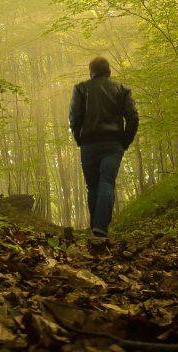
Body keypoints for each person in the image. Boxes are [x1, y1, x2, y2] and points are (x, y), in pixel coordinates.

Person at [68, 56, 138, 238]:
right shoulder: (122, 90)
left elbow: (74, 117)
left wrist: (79, 138)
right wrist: (125, 141)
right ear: (109, 71)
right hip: (113, 143)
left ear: (91, 71)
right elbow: (133, 117)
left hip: (89, 143)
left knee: (93, 186)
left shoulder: (81, 89)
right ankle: (100, 227)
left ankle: (96, 228)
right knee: (107, 182)